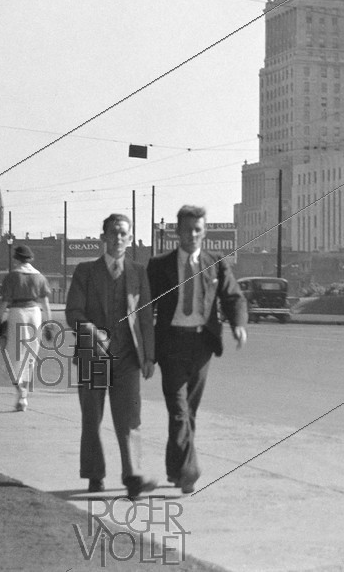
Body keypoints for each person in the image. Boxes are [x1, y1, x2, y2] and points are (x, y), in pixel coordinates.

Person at [147, 204, 248, 494]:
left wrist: (238, 324)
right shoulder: (159, 265)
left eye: (197, 230)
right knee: (178, 409)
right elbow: (145, 306)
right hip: (171, 343)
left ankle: (174, 469)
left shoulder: (216, 262)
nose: (192, 235)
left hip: (202, 344)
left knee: (188, 411)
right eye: (187, 229)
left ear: (204, 232)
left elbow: (233, 297)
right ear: (177, 232)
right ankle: (190, 472)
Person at [66, 213, 157, 498]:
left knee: (130, 418)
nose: (119, 238)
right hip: (92, 355)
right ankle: (95, 475)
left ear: (130, 239)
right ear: (103, 237)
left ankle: (133, 477)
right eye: (113, 233)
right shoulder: (85, 271)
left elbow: (145, 317)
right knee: (92, 418)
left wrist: (149, 356)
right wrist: (91, 330)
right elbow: (73, 312)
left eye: (124, 234)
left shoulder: (138, 272)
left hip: (128, 357)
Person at [0, 244, 53, 411]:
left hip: (17, 313)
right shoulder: (40, 277)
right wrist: (48, 323)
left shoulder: (12, 277)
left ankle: (20, 392)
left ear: (16, 259)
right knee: (31, 354)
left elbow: (4, 302)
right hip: (35, 314)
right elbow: (46, 305)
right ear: (30, 259)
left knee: (14, 354)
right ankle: (24, 396)